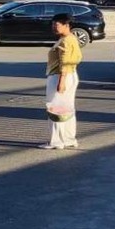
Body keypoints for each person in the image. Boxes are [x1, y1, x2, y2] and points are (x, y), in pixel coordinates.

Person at [40, 13, 83, 150]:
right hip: (69, 75)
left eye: (57, 24)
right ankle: (69, 138)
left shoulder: (66, 41)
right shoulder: (70, 38)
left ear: (66, 25)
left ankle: (56, 141)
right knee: (67, 108)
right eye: (53, 24)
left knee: (55, 108)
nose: (54, 27)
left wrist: (61, 81)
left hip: (60, 75)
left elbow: (65, 61)